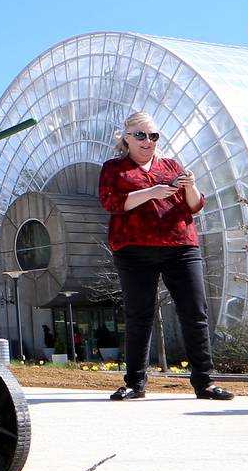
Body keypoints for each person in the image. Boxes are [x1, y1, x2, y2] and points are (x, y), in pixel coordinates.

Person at [98, 112, 233, 401]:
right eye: (140, 135)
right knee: (139, 315)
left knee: (195, 312)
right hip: (134, 250)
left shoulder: (171, 166)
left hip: (180, 246)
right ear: (126, 137)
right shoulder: (114, 169)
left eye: (153, 136)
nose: (148, 141)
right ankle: (135, 383)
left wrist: (191, 185)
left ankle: (205, 383)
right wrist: (152, 192)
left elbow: (194, 205)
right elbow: (112, 203)